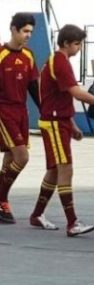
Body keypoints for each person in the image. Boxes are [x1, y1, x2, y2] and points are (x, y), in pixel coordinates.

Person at [30, 24, 94, 235]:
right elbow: (76, 93)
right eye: (77, 43)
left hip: (58, 120)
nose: (79, 48)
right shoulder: (60, 62)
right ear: (66, 43)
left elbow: (60, 96)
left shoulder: (56, 61)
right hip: (55, 122)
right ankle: (72, 222)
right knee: (65, 168)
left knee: (54, 171)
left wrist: (71, 124)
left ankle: (37, 214)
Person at [0, 13, 40, 224]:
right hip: (4, 111)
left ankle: (1, 202)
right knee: (21, 157)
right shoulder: (1, 54)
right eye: (25, 31)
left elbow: (34, 86)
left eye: (31, 32)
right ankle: (2, 198)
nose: (28, 35)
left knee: (9, 158)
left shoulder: (29, 55)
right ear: (13, 29)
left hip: (21, 112)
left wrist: (45, 110)